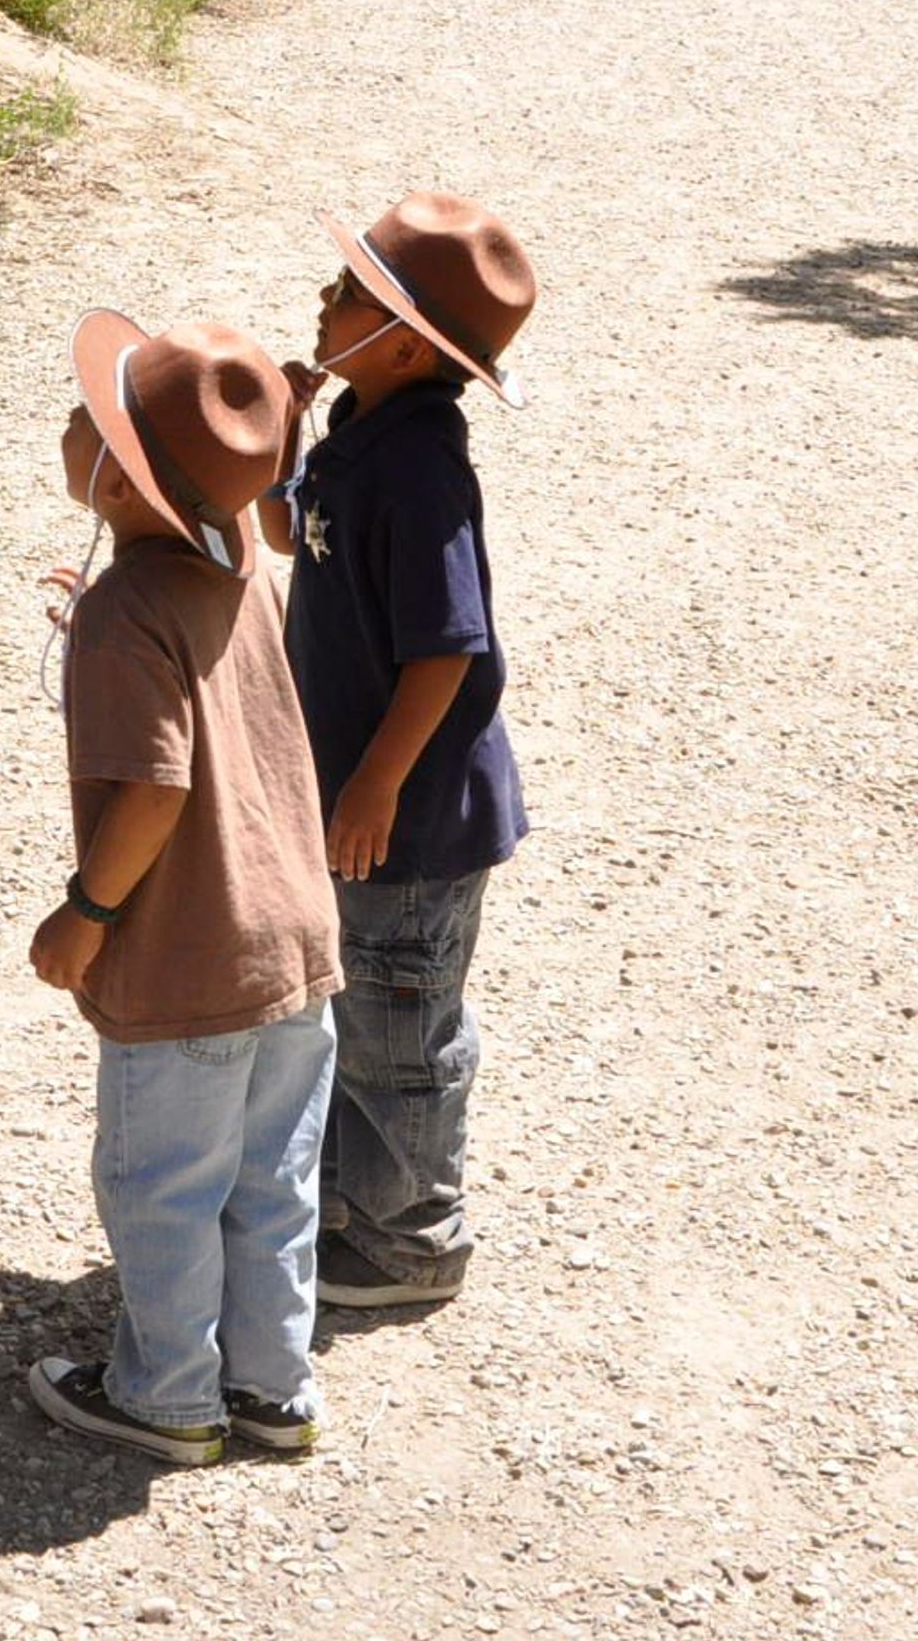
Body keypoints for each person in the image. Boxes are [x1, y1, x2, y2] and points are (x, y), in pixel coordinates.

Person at [25, 312, 345, 1466]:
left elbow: (154, 793)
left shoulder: (126, 615)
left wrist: (86, 911)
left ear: (119, 481)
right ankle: (273, 1386)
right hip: (295, 941)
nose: (71, 426)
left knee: (163, 1184)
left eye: (91, 422)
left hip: (187, 954)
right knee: (272, 1183)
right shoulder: (242, 564)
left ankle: (166, 1395)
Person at [268, 192, 538, 1314]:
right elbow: (286, 526)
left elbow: (447, 650)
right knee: (358, 1007)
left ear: (405, 341)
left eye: (349, 295)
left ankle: (411, 1238)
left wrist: (375, 782)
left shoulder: (424, 470)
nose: (323, 304)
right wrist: (284, 422)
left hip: (411, 817)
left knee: (401, 1028)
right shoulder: (358, 434)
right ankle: (353, 1200)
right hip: (357, 798)